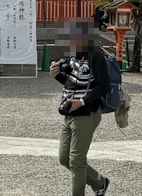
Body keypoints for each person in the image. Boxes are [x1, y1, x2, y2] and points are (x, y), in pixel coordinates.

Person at [51, 21, 111, 196]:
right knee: (64, 158)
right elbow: (71, 82)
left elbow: (104, 86)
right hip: (69, 111)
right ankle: (99, 182)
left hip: (86, 112)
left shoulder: (96, 55)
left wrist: (83, 102)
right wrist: (57, 75)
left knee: (77, 160)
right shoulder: (71, 55)